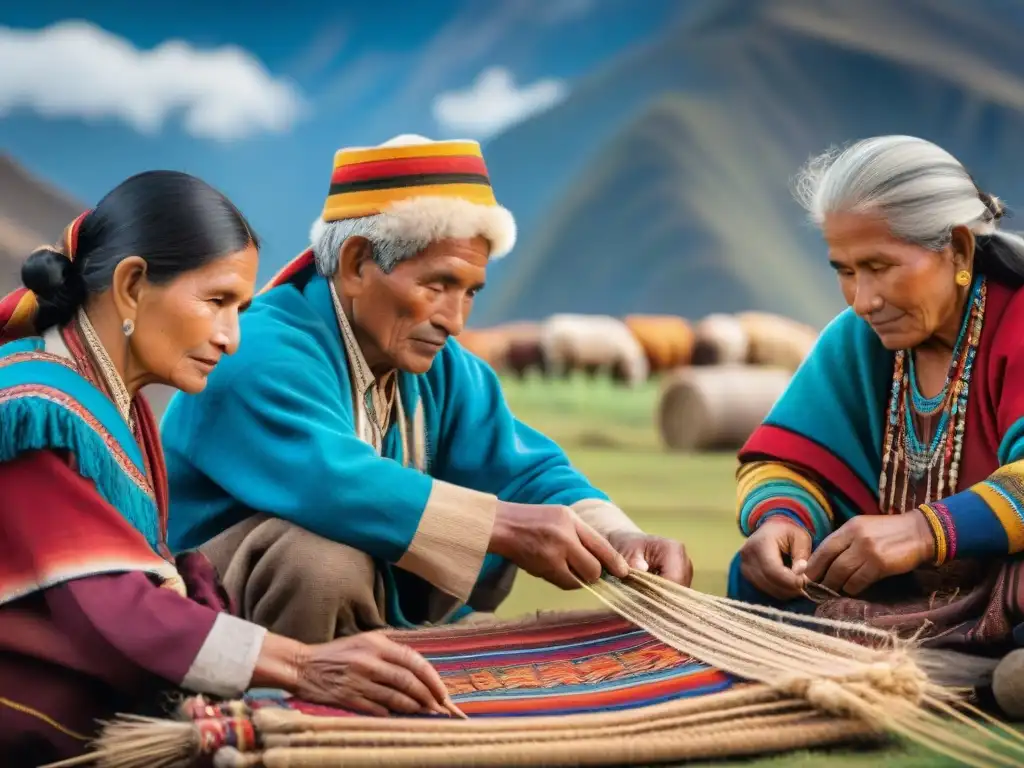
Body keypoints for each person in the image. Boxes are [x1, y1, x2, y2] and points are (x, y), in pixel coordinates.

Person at [159, 135, 693, 644]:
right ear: (356, 264)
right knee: (320, 562)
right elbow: (336, 483)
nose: (455, 321)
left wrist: (619, 538)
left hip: (336, 609)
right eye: (437, 285)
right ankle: (285, 716)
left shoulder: (441, 368)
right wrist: (502, 527)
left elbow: (523, 470)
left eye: (470, 292)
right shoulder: (253, 351)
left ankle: (374, 684)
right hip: (202, 614)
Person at [0, 172, 455, 767]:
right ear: (132, 286)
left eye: (240, 308)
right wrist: (300, 664)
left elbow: (145, 569)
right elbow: (106, 607)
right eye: (216, 302)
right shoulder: (37, 409)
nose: (231, 338)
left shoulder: (115, 397)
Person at [730, 136, 1024, 666]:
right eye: (844, 271)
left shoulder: (1017, 322)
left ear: (957, 249)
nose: (863, 300)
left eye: (880, 266)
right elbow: (785, 460)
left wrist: (922, 531)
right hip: (899, 595)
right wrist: (782, 520)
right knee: (757, 579)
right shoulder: (856, 340)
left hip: (1005, 584)